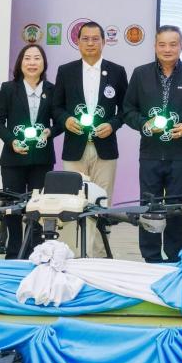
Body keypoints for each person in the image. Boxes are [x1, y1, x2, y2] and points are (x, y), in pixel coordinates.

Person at [124, 25, 182, 263]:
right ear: (155, 46)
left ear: (181, 47)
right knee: (149, 206)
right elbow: (128, 110)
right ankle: (150, 257)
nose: (167, 49)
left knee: (177, 207)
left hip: (181, 154)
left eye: (173, 44)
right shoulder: (140, 74)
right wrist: (145, 124)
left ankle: (175, 256)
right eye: (162, 44)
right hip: (150, 153)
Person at [52, 21, 128, 257]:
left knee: (101, 203)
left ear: (104, 42)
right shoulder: (66, 71)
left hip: (105, 149)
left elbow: (126, 109)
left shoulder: (117, 71)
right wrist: (66, 120)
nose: (90, 43)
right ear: (78, 42)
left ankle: (99, 256)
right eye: (85, 38)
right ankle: (72, 254)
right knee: (71, 202)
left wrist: (112, 125)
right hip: (74, 148)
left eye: (96, 39)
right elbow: (56, 107)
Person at [0, 44, 62, 259]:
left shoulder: (52, 90)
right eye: (27, 58)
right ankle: (13, 251)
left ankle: (34, 250)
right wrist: (11, 141)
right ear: (20, 63)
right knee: (13, 206)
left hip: (42, 159)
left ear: (44, 63)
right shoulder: (8, 89)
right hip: (12, 159)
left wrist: (50, 131)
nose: (32, 63)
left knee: (38, 206)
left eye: (37, 58)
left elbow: (60, 121)